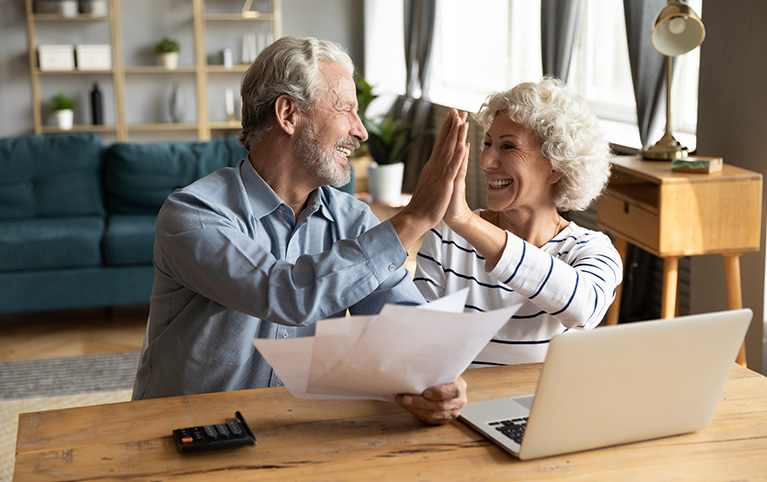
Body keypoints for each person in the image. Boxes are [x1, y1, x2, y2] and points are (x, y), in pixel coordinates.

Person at [132, 36, 470, 425]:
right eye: (347, 110)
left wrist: (435, 376)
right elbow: (284, 294)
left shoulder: (352, 220)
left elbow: (401, 321)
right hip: (183, 432)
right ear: (288, 114)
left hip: (290, 429)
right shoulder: (193, 213)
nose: (361, 132)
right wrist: (412, 219)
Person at [414, 77, 623, 366]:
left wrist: (466, 221)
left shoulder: (591, 250)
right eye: (487, 143)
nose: (486, 161)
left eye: (508, 147)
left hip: (546, 408)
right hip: (461, 404)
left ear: (556, 167)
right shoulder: (448, 236)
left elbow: (583, 309)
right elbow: (418, 341)